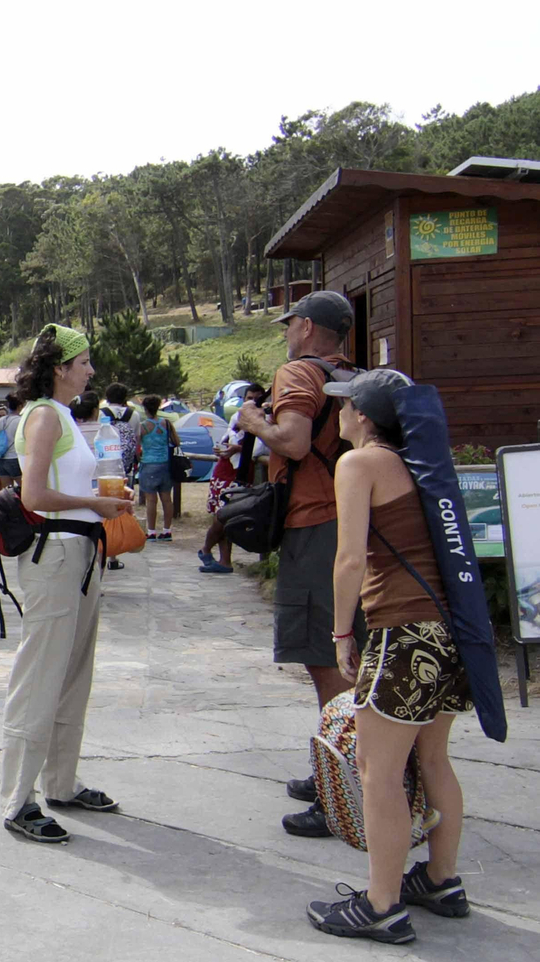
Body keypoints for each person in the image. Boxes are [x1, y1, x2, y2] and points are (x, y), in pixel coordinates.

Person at [305, 369, 472, 944]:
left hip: (401, 633)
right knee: (433, 760)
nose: (338, 415)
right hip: (446, 632)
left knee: (378, 773)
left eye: (344, 406)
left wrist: (340, 632)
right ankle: (441, 880)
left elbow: (349, 558)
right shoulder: (420, 464)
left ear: (365, 416)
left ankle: (381, 905)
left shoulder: (361, 464)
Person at [0, 324, 134, 844]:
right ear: (61, 368)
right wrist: (96, 505)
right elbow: (32, 495)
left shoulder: (64, 418)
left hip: (78, 552)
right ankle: (18, 799)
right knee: (40, 675)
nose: (92, 371)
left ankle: (59, 782)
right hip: (56, 552)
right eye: (85, 362)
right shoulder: (45, 418)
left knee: (73, 672)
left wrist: (96, 506)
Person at [237, 289, 358, 837]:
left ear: (307, 327)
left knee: (325, 657)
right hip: (353, 522)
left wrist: (251, 421)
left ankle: (345, 786)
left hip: (315, 525)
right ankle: (336, 761)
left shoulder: (297, 375)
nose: (286, 332)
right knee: (346, 650)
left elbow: (294, 441)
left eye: (290, 324)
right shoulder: (353, 377)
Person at [198, 383, 267, 574]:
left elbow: (260, 448)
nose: (252, 402)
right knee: (220, 515)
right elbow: (229, 436)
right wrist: (222, 447)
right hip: (225, 469)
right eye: (248, 398)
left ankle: (206, 549)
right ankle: (224, 560)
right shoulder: (237, 417)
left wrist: (238, 449)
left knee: (227, 516)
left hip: (243, 473)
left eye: (256, 398)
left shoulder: (266, 419)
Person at [136, 395, 178, 540]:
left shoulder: (143, 426)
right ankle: (167, 530)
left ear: (145, 408)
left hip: (149, 463)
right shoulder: (166, 423)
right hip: (165, 464)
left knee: (151, 500)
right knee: (167, 499)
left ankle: (151, 531)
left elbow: (137, 447)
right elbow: (176, 441)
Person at [0, 394, 24, 492]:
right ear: (20, 406)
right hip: (14, 458)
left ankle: (10, 507)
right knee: (24, 489)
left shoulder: (0, 421)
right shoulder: (20, 421)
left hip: (0, 459)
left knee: (7, 492)